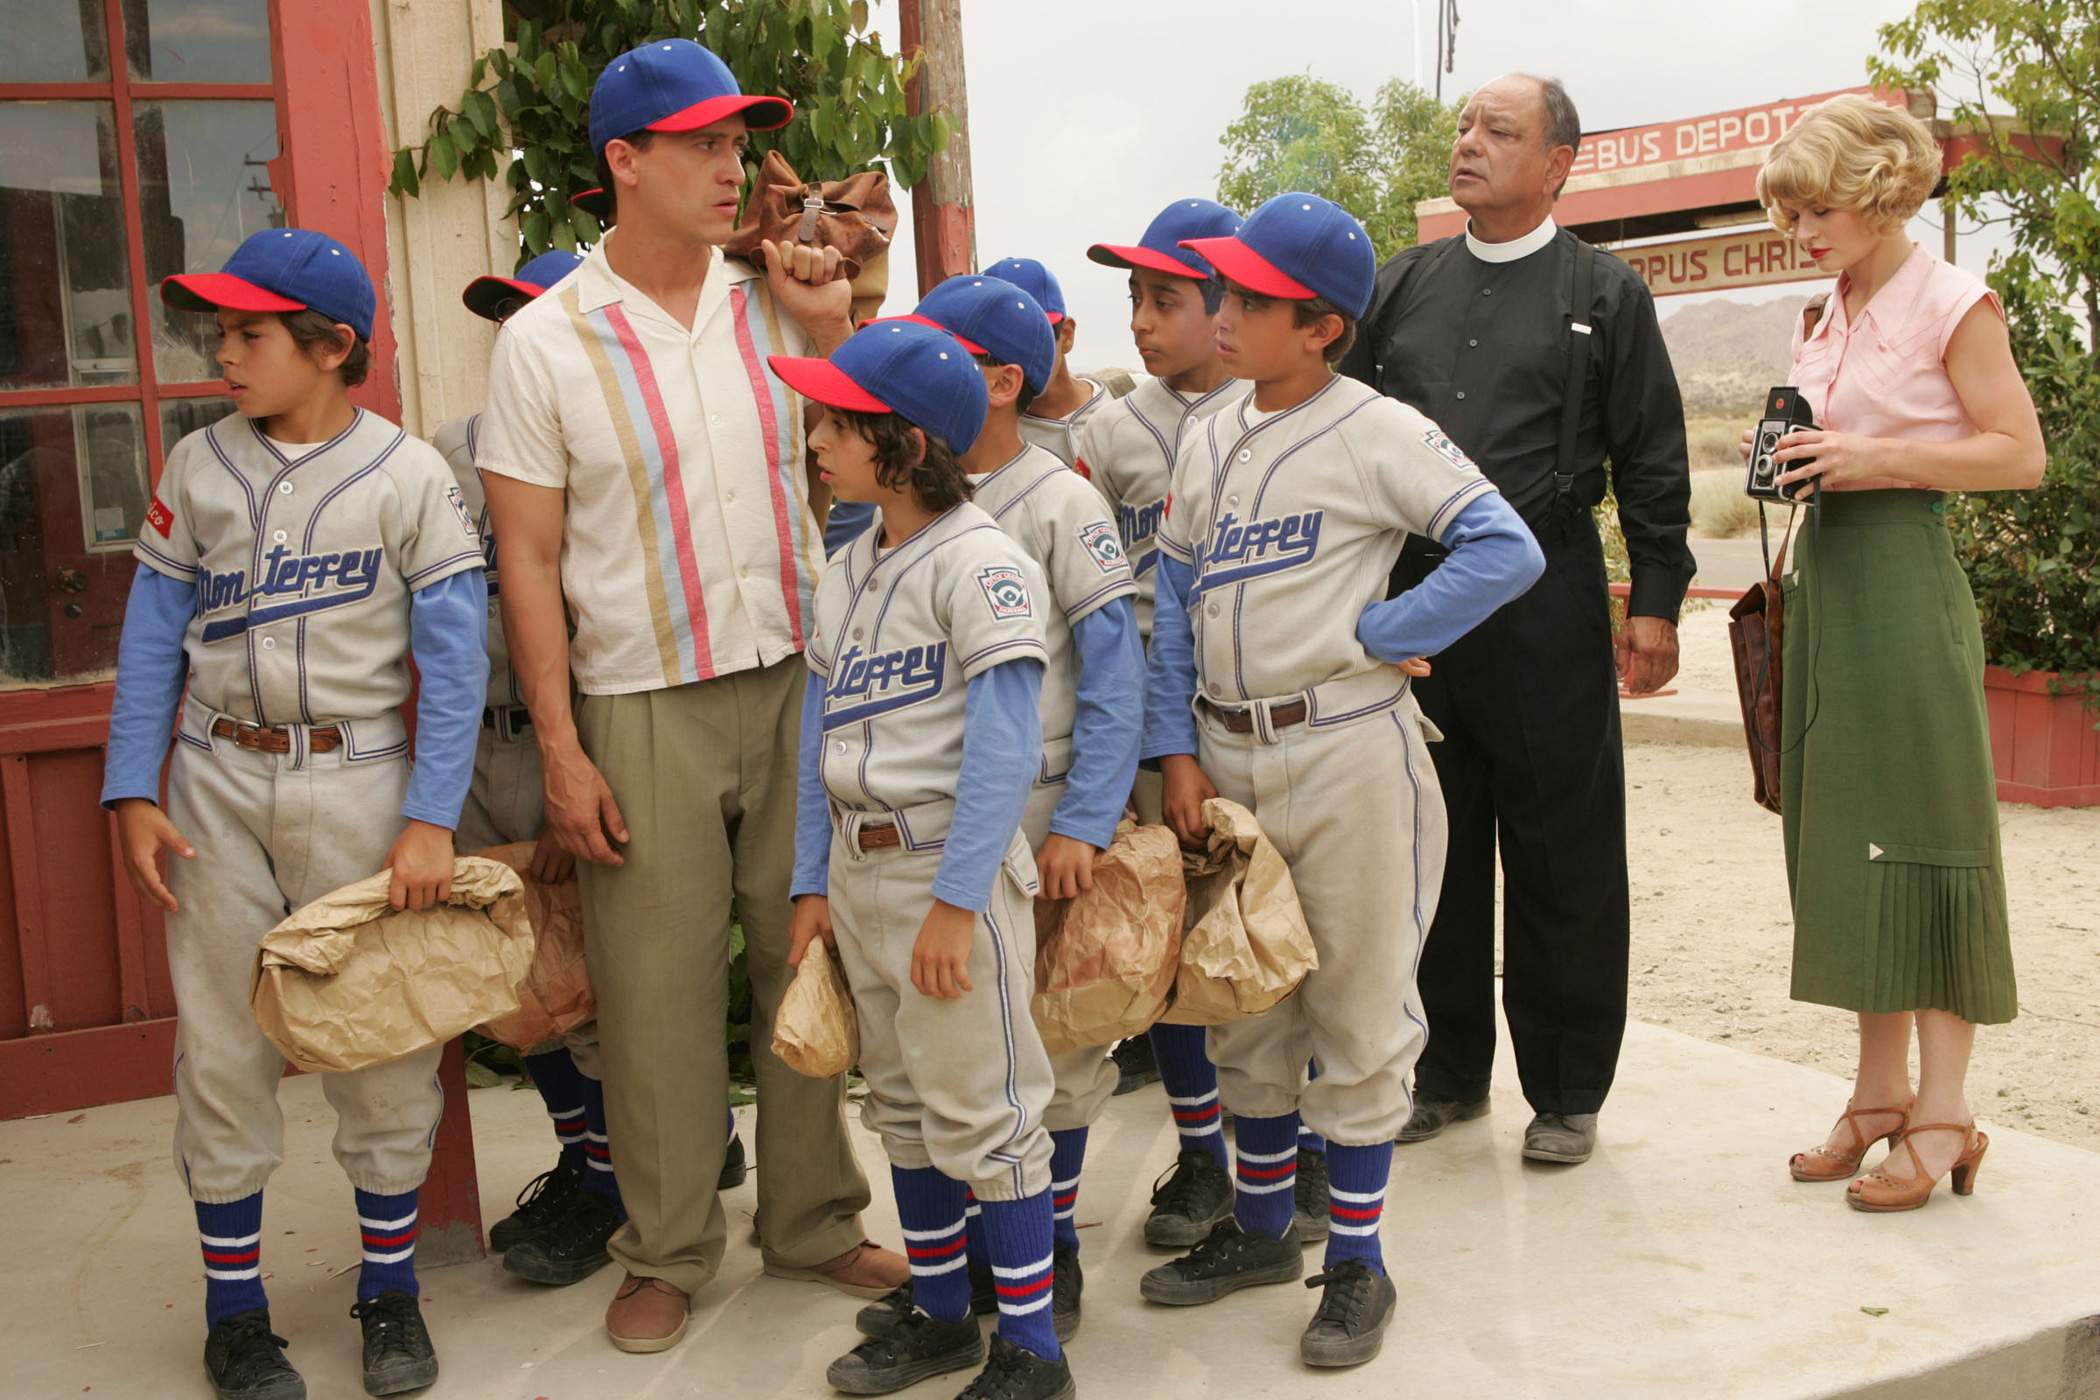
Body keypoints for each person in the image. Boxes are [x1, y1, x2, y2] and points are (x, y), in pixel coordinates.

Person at [475, 38, 902, 1355]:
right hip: (639, 701)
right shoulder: (545, 345)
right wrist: (560, 745)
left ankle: (817, 1217)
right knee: (651, 988)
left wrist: (832, 320)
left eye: (738, 143)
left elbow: (886, 451)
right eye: (705, 145)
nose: (735, 170)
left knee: (806, 955)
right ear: (624, 161)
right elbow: (530, 563)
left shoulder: (774, 301)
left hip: (795, 679)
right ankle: (662, 1246)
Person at [1136, 193, 1542, 1367]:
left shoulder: (1379, 429)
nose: (1224, 310)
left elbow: (1504, 546)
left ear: (1319, 325)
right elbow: (1170, 597)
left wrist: (1385, 623)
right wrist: (1174, 749)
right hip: (1229, 751)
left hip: (1349, 748)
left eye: (1249, 298)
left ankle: (1358, 1262)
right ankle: (1265, 1231)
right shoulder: (1209, 430)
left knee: (1359, 1016)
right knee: (1245, 1009)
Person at [102, 227, 488, 1399]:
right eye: (217, 330)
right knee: (223, 1050)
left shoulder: (408, 471)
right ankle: (235, 1314)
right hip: (217, 776)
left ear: (329, 347)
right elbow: (152, 634)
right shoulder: (196, 465)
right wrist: (132, 783)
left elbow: (456, 654)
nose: (222, 351)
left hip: (361, 775)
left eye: (249, 333)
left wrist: (431, 812)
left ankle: (388, 1288)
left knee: (380, 1045)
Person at [1342, 73, 1696, 1165]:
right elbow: (1343, 441)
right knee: (1432, 844)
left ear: (1557, 163)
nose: (1470, 143)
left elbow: (1650, 454)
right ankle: (1447, 1074)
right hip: (1420, 596)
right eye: (1464, 126)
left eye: (1500, 130)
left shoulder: (1606, 292)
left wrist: (1659, 602)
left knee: (1562, 845)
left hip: (1547, 593)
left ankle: (1568, 1085)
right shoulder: (1399, 286)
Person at [1749, 94, 2042, 1210]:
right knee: (1847, 834)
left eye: (1819, 207)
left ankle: (1945, 1113)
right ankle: (1878, 1094)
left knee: (1926, 833)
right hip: (1827, 584)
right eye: (1793, 212)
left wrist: (1875, 456)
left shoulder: (1953, 300)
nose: (1804, 229)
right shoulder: (1828, 307)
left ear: (1875, 192)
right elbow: (1838, 439)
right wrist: (1788, 454)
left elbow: (2019, 454)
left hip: (1907, 584)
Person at [775, 320, 1078, 1400]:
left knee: (986, 1110)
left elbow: (1006, 742)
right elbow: (821, 735)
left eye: (835, 420)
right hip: (860, 869)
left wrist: (958, 901)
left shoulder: (983, 558)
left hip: (948, 862)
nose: (816, 435)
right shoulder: (851, 561)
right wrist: (812, 879)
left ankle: (1034, 1350)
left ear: (901, 443)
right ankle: (945, 1314)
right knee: (901, 1102)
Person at [438, 250, 752, 1289]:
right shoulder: (451, 454)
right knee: (521, 978)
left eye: (540, 313)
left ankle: (635, 1173)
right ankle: (594, 1158)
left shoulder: (626, 435)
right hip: (491, 733)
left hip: (591, 720)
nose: (520, 335)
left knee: (621, 981)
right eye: (506, 316)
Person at [872, 273, 1144, 1342]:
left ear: (994, 378)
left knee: (1057, 1041)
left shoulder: (1060, 494)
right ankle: (974, 1260)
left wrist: (1086, 817)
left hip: (1040, 802)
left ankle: (1055, 1240)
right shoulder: (894, 505)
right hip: (941, 816)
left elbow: (1114, 667)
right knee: (954, 1049)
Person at [1078, 196, 1336, 1249]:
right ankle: (1200, 1151)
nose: (1143, 318)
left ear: (1227, 297)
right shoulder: (1112, 429)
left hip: (1275, 714)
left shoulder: (1294, 406)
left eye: (1166, 296)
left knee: (1287, 932)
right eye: (1133, 296)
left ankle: (1303, 1138)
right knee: (1178, 945)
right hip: (1159, 716)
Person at [983, 256, 1126, 467]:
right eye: (995, 346)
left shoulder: (1133, 394)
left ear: (1066, 335)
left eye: (1028, 336)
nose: (1013, 357)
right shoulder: (994, 446)